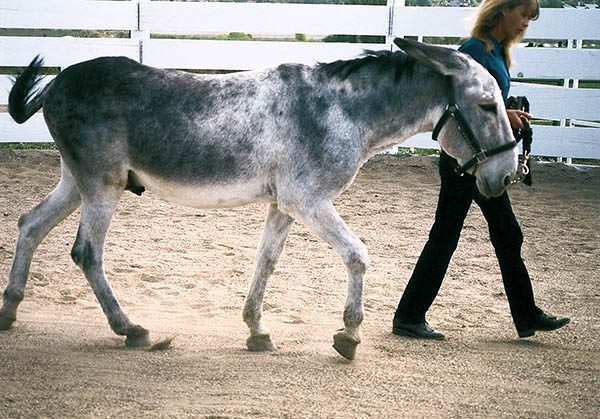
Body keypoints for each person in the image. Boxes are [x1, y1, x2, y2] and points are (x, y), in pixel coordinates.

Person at [392, 0, 570, 340]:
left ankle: (523, 315)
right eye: (523, 15)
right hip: (467, 161)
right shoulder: (474, 50)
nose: (525, 24)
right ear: (503, 10)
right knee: (455, 235)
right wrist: (506, 114)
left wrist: (506, 110)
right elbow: (464, 103)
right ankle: (409, 316)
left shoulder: (499, 51)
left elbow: (490, 104)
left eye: (530, 19)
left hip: (482, 157)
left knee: (498, 233)